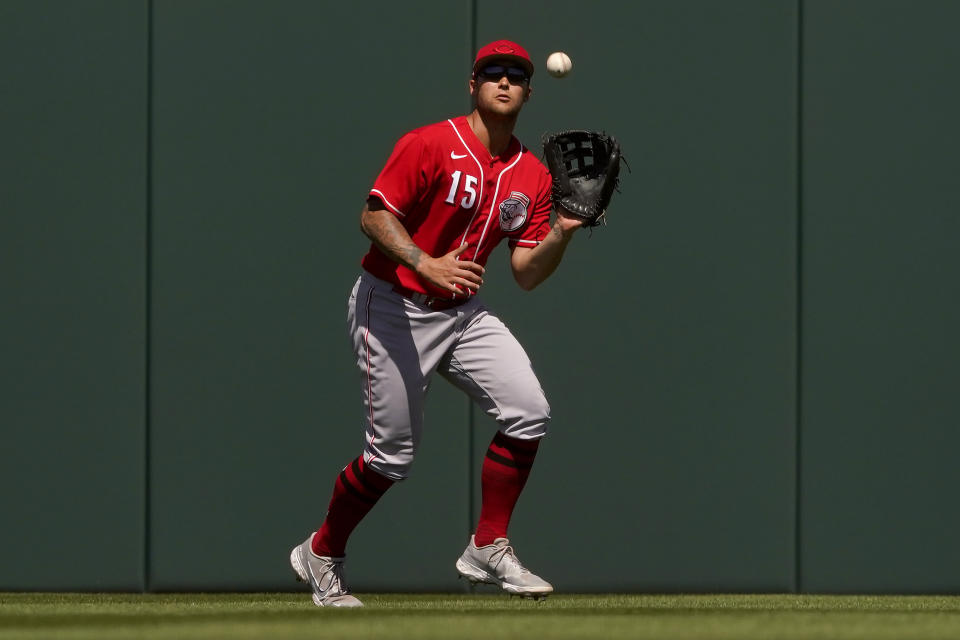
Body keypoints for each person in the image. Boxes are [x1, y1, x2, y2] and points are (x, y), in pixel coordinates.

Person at [289, 39, 587, 607]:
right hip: (393, 306)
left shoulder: (532, 174)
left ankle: (488, 544)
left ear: (528, 90)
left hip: (461, 314)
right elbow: (373, 215)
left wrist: (561, 233)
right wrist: (424, 262)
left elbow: (525, 272)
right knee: (392, 456)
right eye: (492, 73)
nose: (505, 82)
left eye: (516, 76)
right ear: (472, 85)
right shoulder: (429, 143)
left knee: (529, 412)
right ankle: (322, 552)